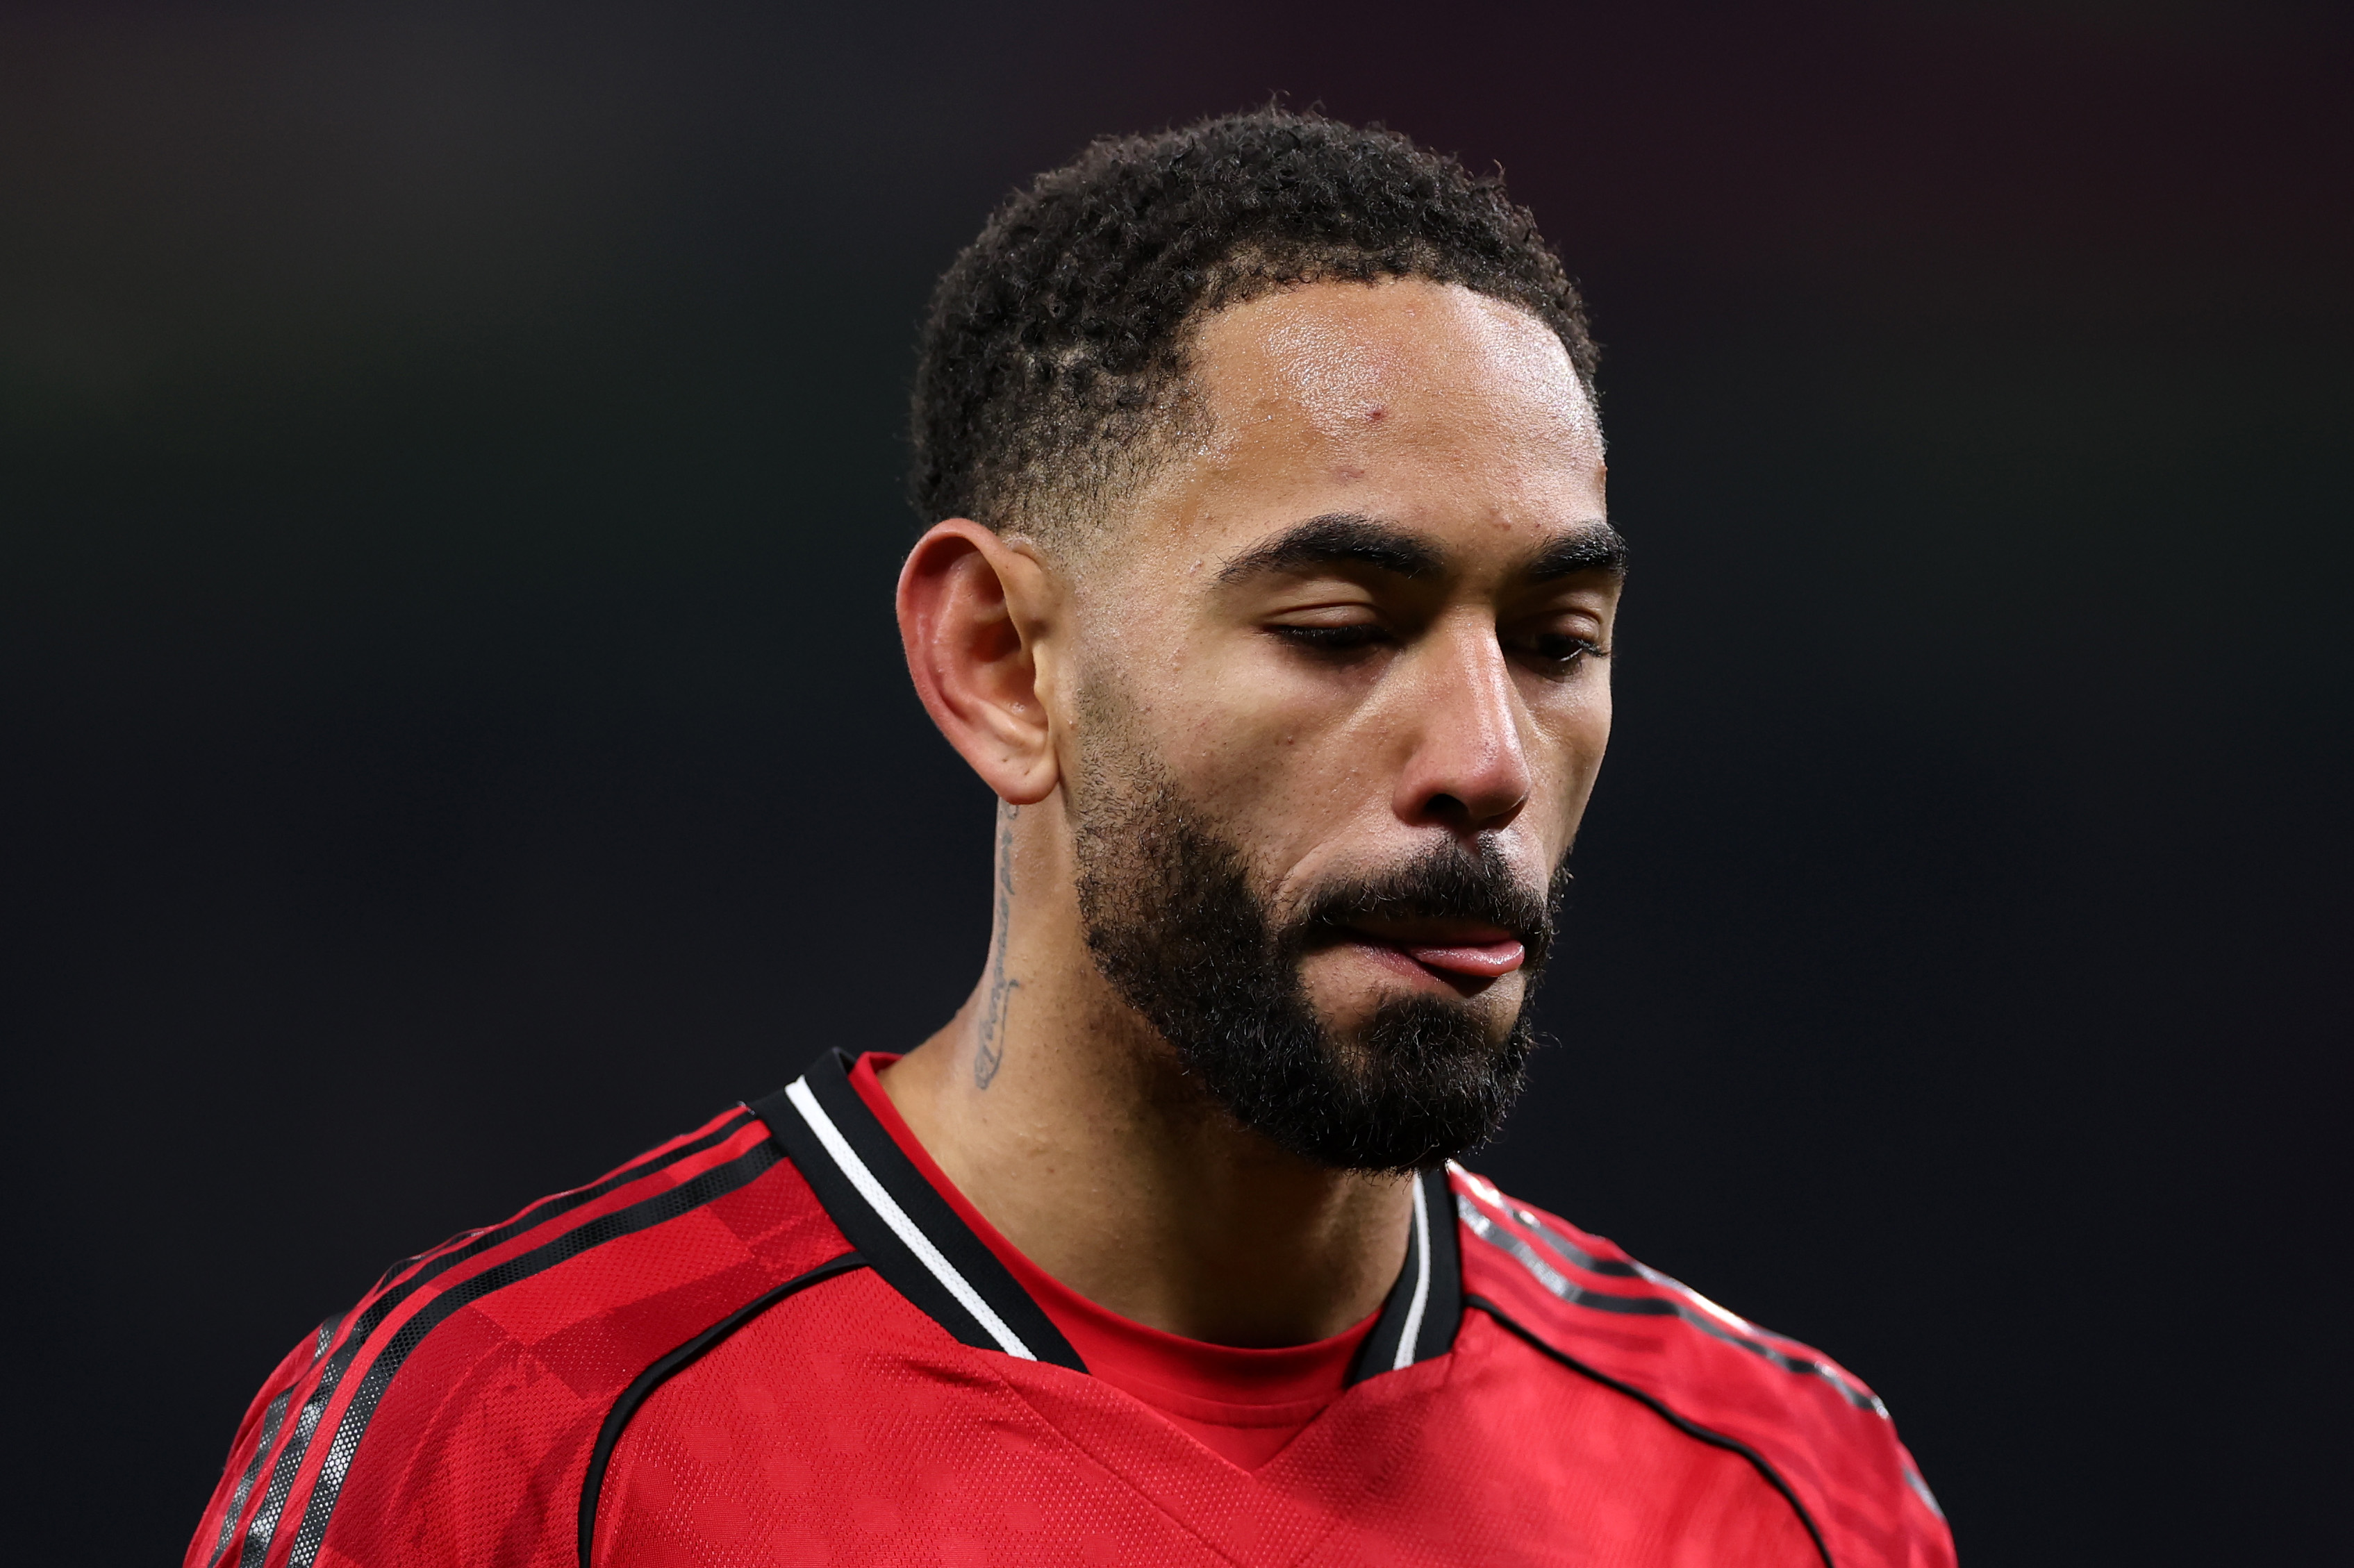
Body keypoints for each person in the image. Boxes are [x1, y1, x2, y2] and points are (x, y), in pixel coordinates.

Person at [188, 109, 1953, 1568]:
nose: (1487, 758)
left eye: (1559, 641)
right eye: (1343, 629)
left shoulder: (1778, 1494)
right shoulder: (511, 1448)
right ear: (1003, 664)